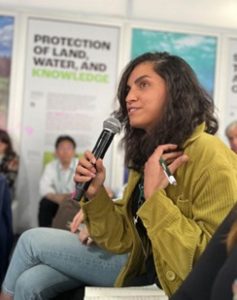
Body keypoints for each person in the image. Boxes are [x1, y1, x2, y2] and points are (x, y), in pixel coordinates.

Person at [1, 51, 237, 300]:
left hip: (167, 278)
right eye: (127, 89)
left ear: (176, 91)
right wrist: (95, 195)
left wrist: (155, 200)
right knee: (30, 281)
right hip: (137, 261)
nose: (129, 97)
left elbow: (211, 265)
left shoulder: (209, 153)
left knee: (30, 240)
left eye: (143, 85)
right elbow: (121, 238)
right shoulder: (149, 152)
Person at [38, 135, 78, 227]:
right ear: (56, 152)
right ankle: (44, 234)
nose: (65, 152)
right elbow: (44, 187)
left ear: (74, 152)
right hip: (56, 200)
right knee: (45, 203)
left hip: (74, 202)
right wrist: (57, 197)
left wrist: (68, 198)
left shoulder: (80, 166)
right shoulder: (50, 166)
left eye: (69, 148)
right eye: (61, 148)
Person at [0, 129, 19, 196]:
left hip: (4, 189)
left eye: (3, 142)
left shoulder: (13, 157)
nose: (0, 144)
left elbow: (10, 179)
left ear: (7, 144)